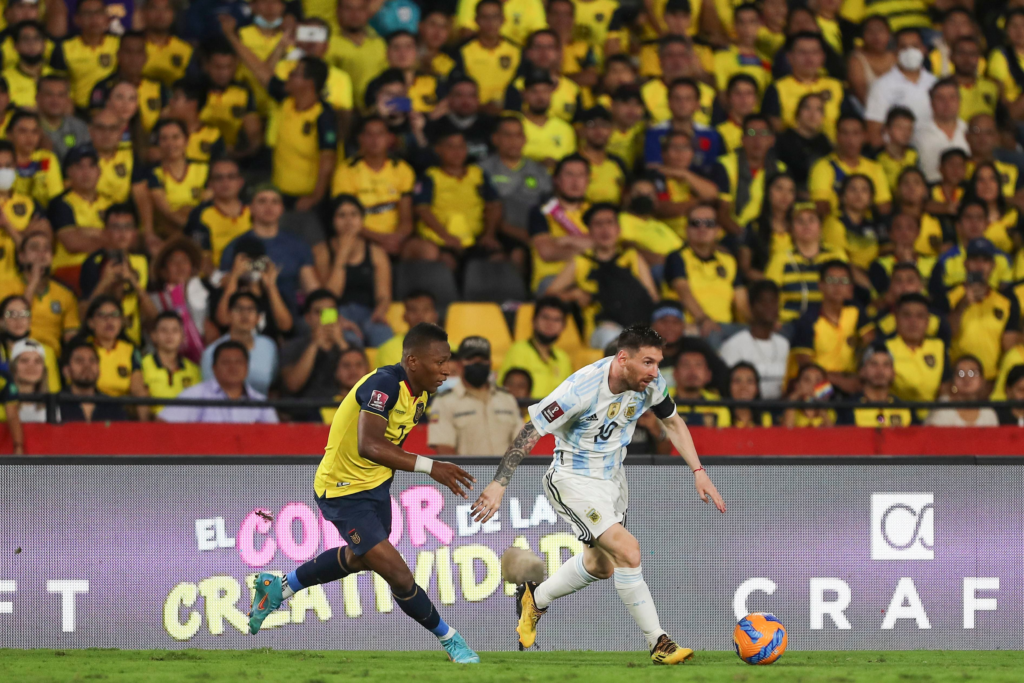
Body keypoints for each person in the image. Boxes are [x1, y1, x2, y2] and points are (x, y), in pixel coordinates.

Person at [471, 325, 725, 665]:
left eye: (658, 363)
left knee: (600, 566)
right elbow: (531, 431)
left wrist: (699, 471)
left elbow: (673, 422)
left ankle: (536, 597)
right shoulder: (580, 388)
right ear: (623, 359)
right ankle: (659, 643)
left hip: (612, 481)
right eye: (648, 362)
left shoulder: (650, 384)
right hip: (572, 480)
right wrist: (499, 484)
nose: (655, 371)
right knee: (629, 551)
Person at [246, 322, 480, 664]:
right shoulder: (383, 384)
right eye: (440, 361)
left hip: (376, 488)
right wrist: (433, 467)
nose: (448, 369)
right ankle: (452, 641)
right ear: (413, 361)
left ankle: (280, 587)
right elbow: (369, 444)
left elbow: (388, 447)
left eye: (449, 360)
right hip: (342, 490)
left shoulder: (421, 395)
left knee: (361, 558)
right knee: (398, 575)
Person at [547, 204, 658, 346]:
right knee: (612, 337)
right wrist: (573, 294)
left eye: (610, 223)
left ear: (618, 229)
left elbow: (652, 297)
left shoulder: (632, 257)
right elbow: (549, 295)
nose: (605, 229)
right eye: (598, 224)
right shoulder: (581, 262)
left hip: (638, 326)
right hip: (602, 328)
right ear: (589, 232)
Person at [219, 186, 321, 313]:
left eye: (275, 201)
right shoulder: (236, 246)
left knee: (333, 327)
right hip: (248, 317)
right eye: (262, 201)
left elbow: (314, 292)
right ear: (250, 208)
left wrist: (331, 319)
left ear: (282, 208)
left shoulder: (298, 245)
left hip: (290, 318)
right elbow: (224, 290)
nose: (269, 206)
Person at [412, 127, 502, 266]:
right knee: (446, 262)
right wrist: (446, 237)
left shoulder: (477, 173)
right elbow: (422, 209)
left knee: (498, 260)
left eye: (461, 146)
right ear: (438, 149)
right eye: (450, 146)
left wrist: (489, 235)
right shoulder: (430, 176)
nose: (457, 152)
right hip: (440, 240)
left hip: (475, 239)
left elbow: (494, 205)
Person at [331, 116, 416, 257]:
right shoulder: (346, 171)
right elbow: (346, 219)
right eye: (369, 134)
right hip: (360, 238)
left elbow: (406, 218)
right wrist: (380, 239)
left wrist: (396, 238)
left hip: (396, 239)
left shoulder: (403, 170)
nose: (375, 140)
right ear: (360, 139)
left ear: (389, 138)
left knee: (425, 251)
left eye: (380, 134)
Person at [664, 204, 747, 345]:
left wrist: (756, 325)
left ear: (718, 230)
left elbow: (742, 302)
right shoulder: (677, 257)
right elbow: (683, 291)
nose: (702, 228)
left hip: (726, 328)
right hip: (694, 326)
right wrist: (703, 319)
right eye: (695, 223)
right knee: (712, 334)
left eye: (709, 223)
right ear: (686, 229)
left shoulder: (729, 260)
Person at [428, 336, 523, 456]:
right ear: (459, 365)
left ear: (490, 363)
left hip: (507, 474)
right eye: (471, 358)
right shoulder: (444, 402)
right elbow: (445, 450)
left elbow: (521, 446)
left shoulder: (507, 398)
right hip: (467, 474)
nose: (477, 363)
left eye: (483, 359)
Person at [480, 116, 553, 271]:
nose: (513, 141)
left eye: (518, 135)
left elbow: (550, 206)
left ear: (524, 139)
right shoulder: (482, 170)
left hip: (535, 234)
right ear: (495, 139)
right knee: (514, 254)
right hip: (496, 233)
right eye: (507, 135)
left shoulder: (540, 171)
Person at [791, 260, 875, 395]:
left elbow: (872, 344)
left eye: (844, 281)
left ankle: (881, 418)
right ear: (820, 285)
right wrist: (840, 381)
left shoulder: (856, 312)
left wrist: (862, 372)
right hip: (819, 385)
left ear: (851, 288)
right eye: (831, 280)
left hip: (852, 381)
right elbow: (805, 366)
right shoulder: (807, 320)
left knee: (874, 398)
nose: (838, 286)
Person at [78, 203, 155, 346]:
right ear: (105, 231)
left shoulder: (142, 262)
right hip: (100, 343)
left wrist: (133, 282)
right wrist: (105, 282)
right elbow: (83, 315)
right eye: (116, 227)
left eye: (127, 227)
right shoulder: (93, 262)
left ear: (134, 232)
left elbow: (153, 317)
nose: (122, 233)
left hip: (133, 343)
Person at [324, 195, 393, 347]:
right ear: (332, 220)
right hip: (334, 315)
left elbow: (383, 296)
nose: (348, 220)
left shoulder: (376, 252)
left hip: (369, 314)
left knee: (385, 338)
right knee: (350, 342)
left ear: (362, 219)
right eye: (341, 215)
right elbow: (325, 298)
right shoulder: (322, 251)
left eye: (354, 214)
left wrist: (380, 311)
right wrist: (342, 256)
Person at [947, 238, 1020, 382]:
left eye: (985, 260)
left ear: (993, 265)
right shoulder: (948, 296)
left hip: (992, 379)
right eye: (974, 259)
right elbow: (947, 334)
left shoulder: (1007, 302)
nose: (979, 266)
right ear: (965, 264)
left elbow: (1010, 345)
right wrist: (962, 306)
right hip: (958, 378)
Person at [159, 340, 279, 425]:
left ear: (247, 368)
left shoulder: (261, 403)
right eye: (226, 362)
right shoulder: (195, 395)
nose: (233, 367)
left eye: (239, 362)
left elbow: (275, 440)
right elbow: (162, 425)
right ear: (214, 368)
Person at [765, 203, 847, 324]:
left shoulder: (836, 255)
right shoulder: (780, 258)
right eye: (800, 221)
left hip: (827, 322)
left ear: (820, 226)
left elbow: (846, 292)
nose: (806, 225)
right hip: (789, 323)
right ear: (791, 229)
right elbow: (768, 295)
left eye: (812, 220)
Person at [0, 231, 80, 353]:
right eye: (34, 248)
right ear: (21, 257)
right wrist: (34, 282)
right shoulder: (4, 287)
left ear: (52, 257)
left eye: (46, 249)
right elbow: (13, 321)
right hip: (14, 351)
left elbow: (71, 337)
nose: (41, 254)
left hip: (50, 357)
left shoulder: (65, 295)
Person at [761, 32, 845, 140]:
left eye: (814, 52)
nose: (809, 57)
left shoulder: (837, 86)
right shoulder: (777, 88)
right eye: (802, 52)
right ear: (790, 57)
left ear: (822, 56)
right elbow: (765, 129)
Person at [528, 154, 592, 294]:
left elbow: (608, 246)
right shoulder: (541, 211)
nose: (575, 181)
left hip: (589, 276)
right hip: (552, 278)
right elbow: (547, 252)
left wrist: (568, 241)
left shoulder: (596, 212)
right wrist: (588, 247)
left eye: (581, 175)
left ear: (588, 180)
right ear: (556, 180)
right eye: (569, 175)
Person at [281, 289, 351, 415]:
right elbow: (292, 385)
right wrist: (314, 345)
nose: (325, 317)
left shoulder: (350, 347)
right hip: (304, 414)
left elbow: (365, 385)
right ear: (307, 318)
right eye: (319, 312)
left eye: (330, 311)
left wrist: (341, 343)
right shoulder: (293, 347)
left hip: (342, 414)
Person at [808, 114, 891, 219]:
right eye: (845, 133)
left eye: (855, 133)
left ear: (864, 137)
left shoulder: (875, 167)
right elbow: (820, 205)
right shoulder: (823, 166)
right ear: (837, 136)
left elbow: (884, 207)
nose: (850, 139)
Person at [864, 28, 936, 147]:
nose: (910, 51)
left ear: (924, 50)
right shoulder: (882, 85)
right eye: (904, 47)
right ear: (895, 52)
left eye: (915, 46)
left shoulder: (935, 83)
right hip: (899, 151)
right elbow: (874, 132)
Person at [719, 280, 789, 399]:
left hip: (780, 408)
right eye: (764, 302)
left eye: (773, 301)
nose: (770, 307)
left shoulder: (784, 344)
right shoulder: (734, 345)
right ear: (751, 307)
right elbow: (726, 387)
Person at [202, 291, 279, 396]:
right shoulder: (212, 352)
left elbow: (273, 388)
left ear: (258, 318)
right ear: (229, 315)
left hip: (260, 410)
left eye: (250, 310)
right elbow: (209, 392)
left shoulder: (269, 346)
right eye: (239, 309)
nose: (245, 314)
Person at [185, 158, 252, 274]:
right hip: (214, 281)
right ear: (210, 184)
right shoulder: (200, 215)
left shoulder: (253, 210)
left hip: (252, 276)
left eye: (231, 177)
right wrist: (221, 280)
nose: (225, 183)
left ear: (240, 182)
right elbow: (201, 258)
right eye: (219, 178)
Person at [50, 0, 120, 111]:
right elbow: (59, 84)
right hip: (78, 111)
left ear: (107, 18)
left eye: (98, 12)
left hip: (112, 110)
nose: (94, 18)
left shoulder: (119, 44)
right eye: (87, 13)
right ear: (77, 20)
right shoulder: (64, 48)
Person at [499, 296, 573, 399]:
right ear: (534, 320)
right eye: (545, 317)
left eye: (556, 320)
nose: (550, 324)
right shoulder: (519, 350)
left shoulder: (563, 358)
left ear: (563, 326)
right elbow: (508, 394)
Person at [885, 292, 952, 406]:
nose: (913, 322)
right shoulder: (884, 348)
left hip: (931, 417)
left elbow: (946, 385)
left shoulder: (938, 346)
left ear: (928, 321)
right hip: (895, 415)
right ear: (896, 319)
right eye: (906, 315)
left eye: (920, 316)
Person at [147, 119, 211, 236]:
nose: (170, 143)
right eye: (164, 139)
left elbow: (209, 207)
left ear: (186, 141)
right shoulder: (153, 174)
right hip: (169, 233)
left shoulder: (204, 169)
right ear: (158, 144)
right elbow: (167, 214)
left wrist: (185, 212)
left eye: (176, 137)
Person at [149, 237, 209, 361]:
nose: (180, 266)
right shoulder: (153, 299)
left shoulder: (204, 295)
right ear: (164, 272)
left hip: (199, 361)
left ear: (192, 269)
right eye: (173, 262)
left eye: (184, 261)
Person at [455, 0, 521, 111]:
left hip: (507, 113)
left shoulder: (516, 51)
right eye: (484, 17)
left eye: (494, 17)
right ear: (476, 20)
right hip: (472, 113)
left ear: (503, 20)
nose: (490, 22)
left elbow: (520, 85)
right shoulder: (462, 51)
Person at [141, 311, 202, 414]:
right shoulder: (142, 365)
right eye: (164, 330)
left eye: (175, 330)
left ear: (183, 337)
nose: (169, 335)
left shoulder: (193, 370)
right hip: (154, 425)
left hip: (186, 426)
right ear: (154, 336)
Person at [739, 173, 796, 281]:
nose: (785, 195)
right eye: (779, 188)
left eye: (790, 191)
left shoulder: (798, 226)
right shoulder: (754, 226)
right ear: (767, 191)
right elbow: (745, 269)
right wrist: (772, 281)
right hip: (765, 287)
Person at [837, 347, 913, 427]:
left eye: (886, 365)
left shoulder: (903, 408)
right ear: (862, 371)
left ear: (893, 373)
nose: (880, 370)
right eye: (874, 364)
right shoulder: (848, 408)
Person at [58, 339, 128, 424]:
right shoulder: (55, 404)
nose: (87, 366)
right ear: (66, 371)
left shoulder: (113, 406)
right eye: (79, 361)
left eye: (92, 360)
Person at [912, 78, 968, 183]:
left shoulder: (969, 131)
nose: (947, 103)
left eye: (952, 98)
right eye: (940, 98)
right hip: (929, 191)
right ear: (931, 102)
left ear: (959, 101)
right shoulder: (916, 133)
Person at [518, 70, 577, 169]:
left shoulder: (565, 129)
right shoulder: (514, 125)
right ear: (524, 95)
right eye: (534, 91)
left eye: (545, 91)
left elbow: (572, 165)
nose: (540, 97)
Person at [774, 94, 831, 192]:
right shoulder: (783, 140)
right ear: (798, 112)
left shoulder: (824, 142)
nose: (812, 114)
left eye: (818, 109)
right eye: (807, 108)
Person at [926, 355, 999, 427]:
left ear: (981, 381)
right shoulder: (943, 409)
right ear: (953, 381)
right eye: (960, 374)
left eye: (972, 373)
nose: (966, 379)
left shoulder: (988, 413)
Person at [374, 290, 438, 368]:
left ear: (435, 315)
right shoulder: (388, 350)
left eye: (426, 310)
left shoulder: (451, 348)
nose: (420, 315)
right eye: (413, 310)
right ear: (404, 316)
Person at [672, 348, 732, 427]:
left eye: (698, 365)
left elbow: (722, 437)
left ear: (708, 375)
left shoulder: (718, 405)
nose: (692, 371)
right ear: (675, 373)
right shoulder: (660, 400)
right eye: (686, 365)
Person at [36, 76, 91, 163]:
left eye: (61, 95)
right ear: (37, 98)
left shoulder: (80, 127)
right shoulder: (27, 128)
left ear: (67, 99)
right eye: (49, 95)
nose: (55, 100)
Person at [140, 0, 193, 87]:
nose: (160, 14)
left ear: (174, 14)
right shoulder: (132, 47)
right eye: (154, 8)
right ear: (143, 12)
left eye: (166, 9)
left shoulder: (186, 50)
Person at [846, 15, 895, 108]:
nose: (876, 36)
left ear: (889, 34)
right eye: (870, 31)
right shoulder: (856, 59)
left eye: (880, 30)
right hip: (868, 110)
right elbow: (861, 94)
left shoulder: (896, 57)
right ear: (862, 36)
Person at [321, 347, 371, 422]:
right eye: (346, 365)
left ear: (368, 371)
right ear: (336, 372)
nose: (353, 370)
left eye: (358, 365)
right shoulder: (325, 405)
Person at [876, 107, 918, 194]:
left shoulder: (914, 154)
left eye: (909, 128)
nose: (905, 132)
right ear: (887, 129)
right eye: (900, 127)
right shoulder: (877, 157)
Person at [10, 338, 50, 425]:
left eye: (38, 361)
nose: (31, 366)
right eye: (24, 361)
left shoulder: (52, 405)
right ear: (13, 368)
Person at [782, 362, 836, 427]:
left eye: (818, 380)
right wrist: (794, 397)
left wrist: (821, 404)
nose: (812, 385)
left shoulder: (831, 412)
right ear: (797, 385)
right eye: (807, 380)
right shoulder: (787, 409)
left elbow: (831, 433)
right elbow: (787, 431)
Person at [726, 361, 773, 428]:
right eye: (737, 381)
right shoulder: (721, 418)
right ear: (729, 386)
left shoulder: (766, 418)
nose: (743, 387)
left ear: (757, 388)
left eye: (750, 381)